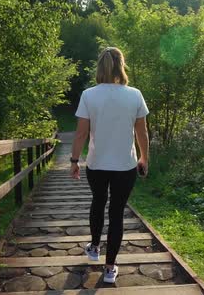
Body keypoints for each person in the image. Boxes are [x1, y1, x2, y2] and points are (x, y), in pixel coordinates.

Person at [69, 46, 149, 284]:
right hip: (125, 166)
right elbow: (141, 131)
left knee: (98, 202)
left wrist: (74, 161)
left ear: (100, 66)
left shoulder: (88, 95)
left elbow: (81, 133)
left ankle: (94, 248)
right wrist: (144, 158)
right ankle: (110, 268)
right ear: (121, 65)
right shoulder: (134, 94)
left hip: (97, 164)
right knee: (116, 213)